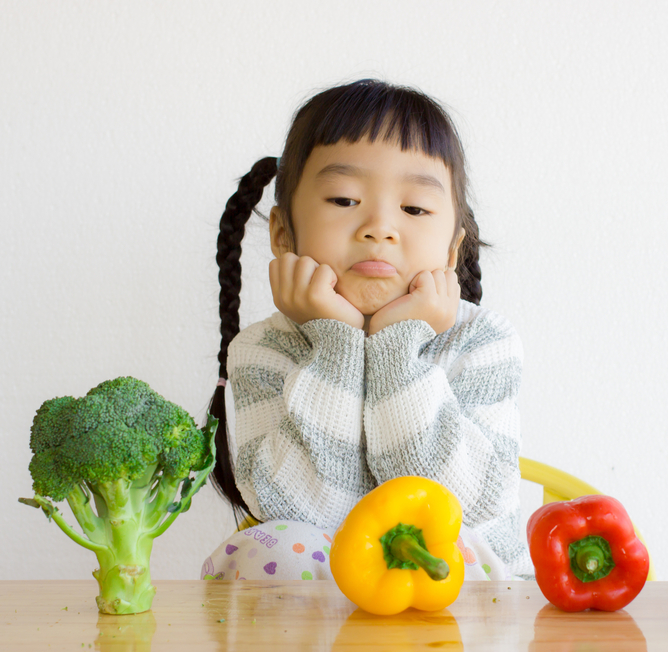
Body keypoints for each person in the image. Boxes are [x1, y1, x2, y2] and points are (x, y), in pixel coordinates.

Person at [201, 78, 534, 583]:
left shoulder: (484, 342)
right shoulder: (262, 350)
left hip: (451, 592)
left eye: (415, 209)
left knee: (471, 549)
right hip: (319, 607)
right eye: (343, 200)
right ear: (282, 233)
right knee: (271, 551)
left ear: (451, 251)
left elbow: (468, 505)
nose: (380, 228)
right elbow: (296, 507)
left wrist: (396, 349)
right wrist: (337, 341)